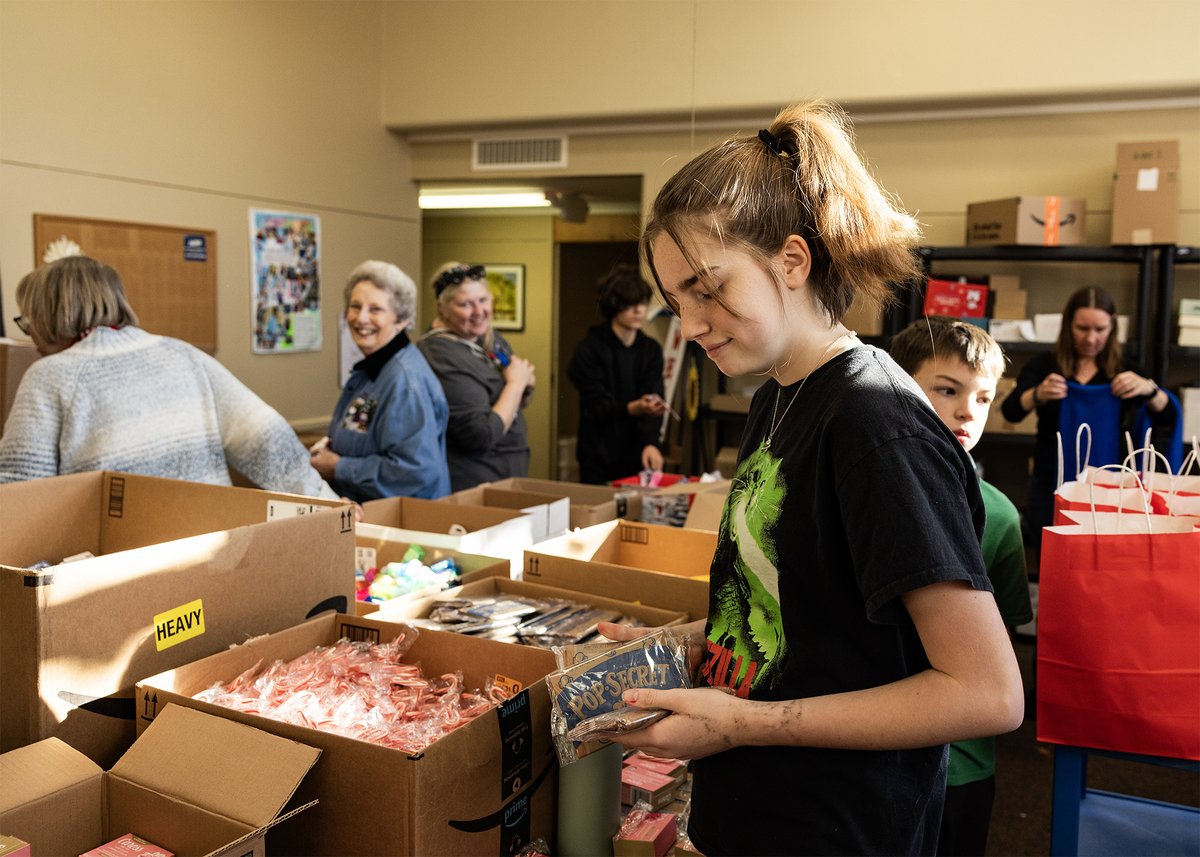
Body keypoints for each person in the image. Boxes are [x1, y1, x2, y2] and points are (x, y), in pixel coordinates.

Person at [598, 101, 1024, 856]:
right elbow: (810, 614)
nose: (690, 325)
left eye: (707, 288)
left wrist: (744, 722)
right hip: (758, 812)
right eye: (676, 301)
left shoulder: (875, 422)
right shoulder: (778, 394)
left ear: (792, 261)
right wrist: (692, 643)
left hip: (840, 828)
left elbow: (987, 693)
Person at [0, 255, 337, 500]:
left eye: (28, 322)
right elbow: (266, 437)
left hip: (117, 564)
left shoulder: (49, 375)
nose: (31, 335)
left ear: (50, 315)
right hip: (216, 547)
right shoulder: (183, 353)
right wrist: (328, 505)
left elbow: (19, 492)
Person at [891, 316, 1034, 857]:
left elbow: (1007, 635)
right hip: (873, 746)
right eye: (947, 390)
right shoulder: (868, 491)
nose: (967, 412)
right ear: (900, 386)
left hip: (964, 762)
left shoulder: (1000, 515)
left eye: (983, 398)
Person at [998, 285, 1176, 544]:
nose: (1091, 338)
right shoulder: (1045, 365)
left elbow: (1168, 417)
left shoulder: (1125, 370)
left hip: (1111, 489)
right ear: (1068, 325)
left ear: (1112, 328)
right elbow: (1011, 411)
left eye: (1100, 329)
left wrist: (1150, 390)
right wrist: (1036, 394)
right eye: (1082, 328)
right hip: (1051, 483)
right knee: (1049, 549)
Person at [309, 260, 450, 502]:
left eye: (375, 310)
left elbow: (414, 472)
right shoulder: (372, 372)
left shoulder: (405, 382)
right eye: (355, 306)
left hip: (403, 520)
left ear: (401, 319)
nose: (361, 318)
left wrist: (338, 467)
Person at [417, 262, 535, 491]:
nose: (479, 312)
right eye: (466, 304)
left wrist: (523, 384)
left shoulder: (489, 339)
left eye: (483, 300)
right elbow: (482, 434)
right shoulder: (440, 353)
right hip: (476, 483)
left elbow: (520, 396)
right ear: (442, 308)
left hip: (507, 474)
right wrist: (517, 383)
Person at [567, 263, 669, 484]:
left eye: (642, 303)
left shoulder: (650, 350)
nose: (639, 310)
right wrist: (634, 407)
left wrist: (651, 443)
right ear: (614, 304)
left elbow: (655, 397)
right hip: (598, 453)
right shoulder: (589, 349)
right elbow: (596, 405)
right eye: (631, 304)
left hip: (637, 454)